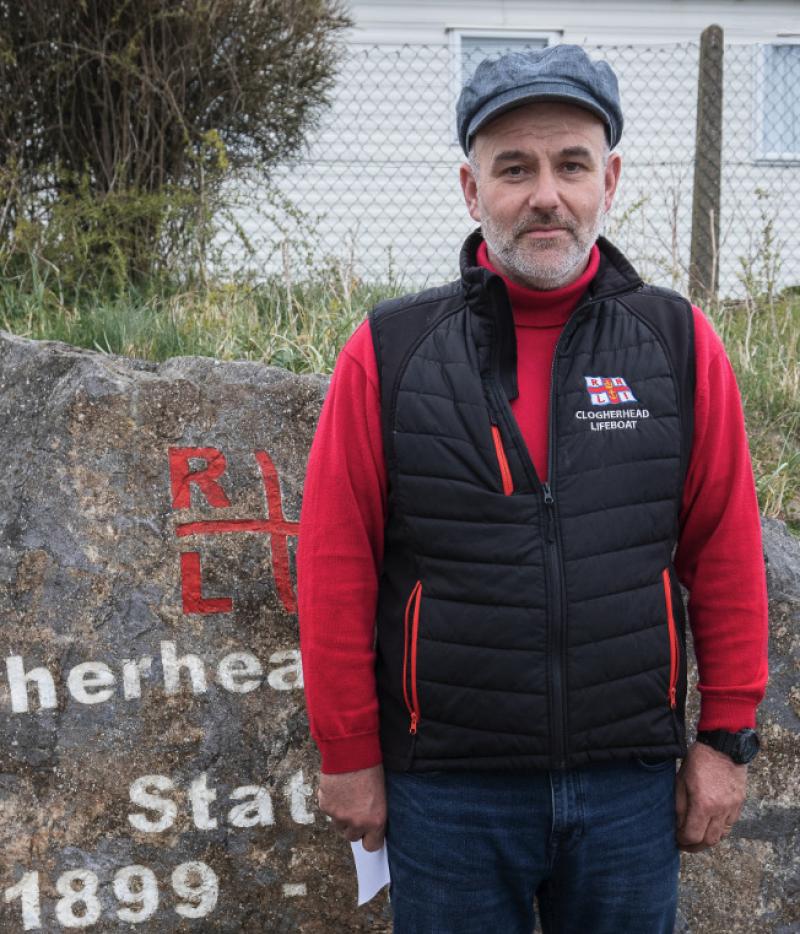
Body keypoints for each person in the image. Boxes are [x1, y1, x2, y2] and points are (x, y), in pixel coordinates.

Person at [297, 45, 768, 933]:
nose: (545, 194)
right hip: (449, 797)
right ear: (473, 191)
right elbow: (333, 567)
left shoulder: (678, 344)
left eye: (571, 165)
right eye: (514, 168)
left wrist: (726, 738)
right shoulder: (390, 352)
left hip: (628, 791)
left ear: (610, 179)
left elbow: (726, 551)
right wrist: (348, 751)